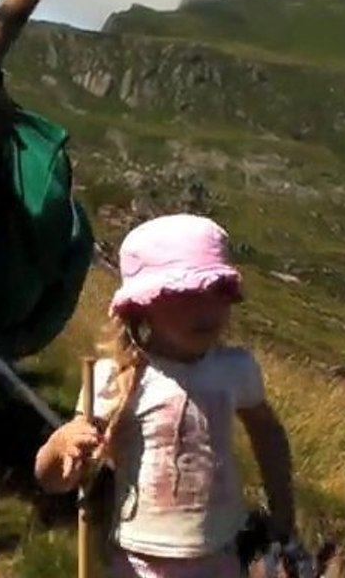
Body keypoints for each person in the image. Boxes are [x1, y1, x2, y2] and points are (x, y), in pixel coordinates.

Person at [34, 213, 310, 577]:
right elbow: (54, 481)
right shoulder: (112, 380)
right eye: (185, 296)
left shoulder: (236, 369)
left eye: (218, 292)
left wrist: (282, 509)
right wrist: (61, 445)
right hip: (139, 563)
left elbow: (267, 432)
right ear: (142, 306)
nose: (207, 309)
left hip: (222, 555)